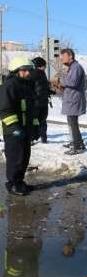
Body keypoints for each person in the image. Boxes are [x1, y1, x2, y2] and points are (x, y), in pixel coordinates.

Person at [0, 57, 39, 196]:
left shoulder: (27, 86)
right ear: (17, 71)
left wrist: (35, 127)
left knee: (24, 156)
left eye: (29, 70)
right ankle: (12, 184)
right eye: (25, 70)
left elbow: (31, 110)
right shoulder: (9, 86)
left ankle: (19, 181)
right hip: (14, 131)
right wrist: (14, 128)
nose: (28, 73)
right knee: (15, 158)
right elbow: (5, 109)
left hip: (25, 129)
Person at [58, 48, 87, 155]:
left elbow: (73, 82)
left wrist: (61, 81)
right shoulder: (72, 67)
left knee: (73, 123)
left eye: (63, 56)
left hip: (74, 100)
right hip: (71, 99)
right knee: (72, 123)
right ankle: (77, 143)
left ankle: (77, 146)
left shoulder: (76, 67)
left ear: (70, 56)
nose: (61, 58)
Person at [30, 57, 52, 143]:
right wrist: (50, 91)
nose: (45, 67)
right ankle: (44, 138)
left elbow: (31, 87)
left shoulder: (31, 73)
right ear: (41, 65)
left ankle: (32, 138)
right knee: (43, 120)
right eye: (44, 66)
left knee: (33, 120)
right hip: (43, 101)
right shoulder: (42, 74)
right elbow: (44, 87)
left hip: (35, 101)